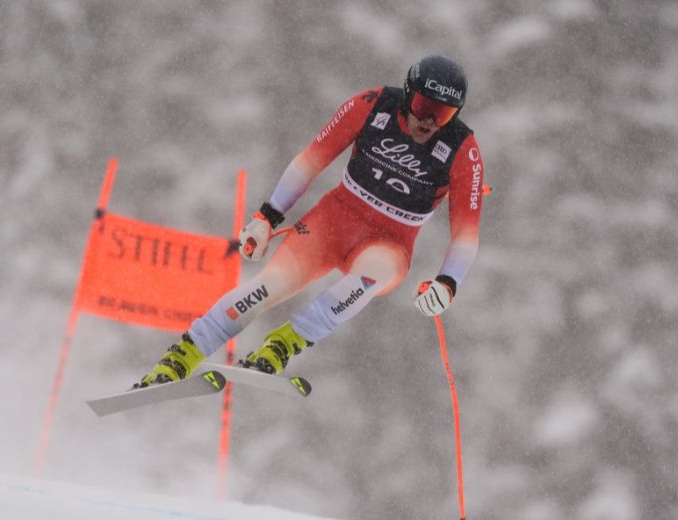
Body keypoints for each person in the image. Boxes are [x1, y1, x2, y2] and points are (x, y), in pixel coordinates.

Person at [134, 54, 485, 387]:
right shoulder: (373, 104)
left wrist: (447, 283)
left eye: (444, 113)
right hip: (332, 222)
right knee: (265, 288)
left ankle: (283, 344)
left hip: (390, 243)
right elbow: (310, 160)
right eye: (425, 107)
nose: (430, 121)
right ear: (409, 94)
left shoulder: (462, 149)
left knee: (365, 279)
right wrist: (267, 217)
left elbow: (466, 235)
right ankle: (180, 357)